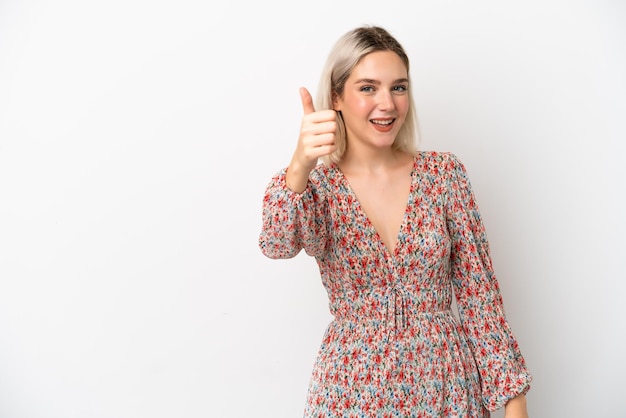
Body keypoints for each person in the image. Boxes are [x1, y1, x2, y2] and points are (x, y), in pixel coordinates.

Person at [258, 25, 531, 417]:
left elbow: (480, 301)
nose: (386, 103)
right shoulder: (317, 190)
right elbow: (276, 244)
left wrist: (514, 404)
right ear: (336, 96)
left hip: (446, 386)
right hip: (352, 390)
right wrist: (300, 164)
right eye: (368, 88)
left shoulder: (443, 174)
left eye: (398, 87)